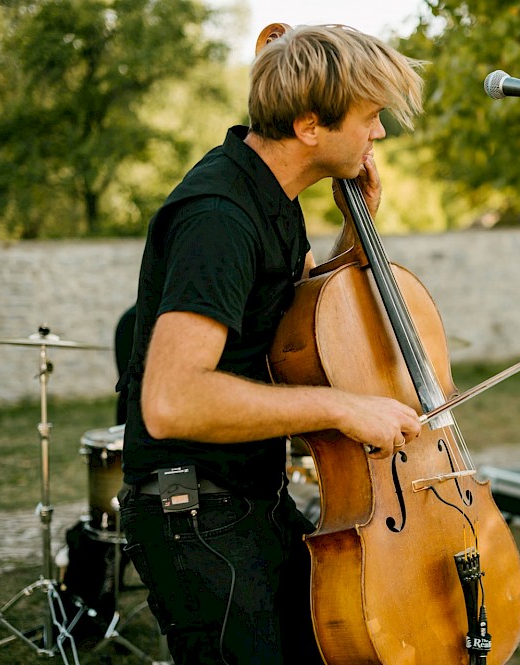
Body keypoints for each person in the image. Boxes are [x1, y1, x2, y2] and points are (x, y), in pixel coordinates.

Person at [116, 24, 424, 665]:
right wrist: (341, 409)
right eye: (370, 117)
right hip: (195, 516)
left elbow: (301, 325)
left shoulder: (271, 197)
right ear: (311, 125)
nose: (380, 134)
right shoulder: (218, 217)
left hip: (251, 500)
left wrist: (354, 229)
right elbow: (173, 401)